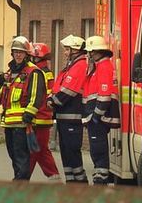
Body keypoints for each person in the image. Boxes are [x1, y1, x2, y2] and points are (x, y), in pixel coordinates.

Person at [0, 36, 46, 180]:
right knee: (14, 157)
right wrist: (2, 81)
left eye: (21, 52)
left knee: (21, 158)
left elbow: (36, 95)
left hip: (23, 123)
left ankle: (19, 185)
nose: (18, 55)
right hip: (9, 123)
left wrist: (29, 115)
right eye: (15, 52)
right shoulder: (11, 71)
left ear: (27, 54)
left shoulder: (34, 72)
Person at [48, 35, 88, 183]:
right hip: (64, 117)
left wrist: (53, 101)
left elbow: (69, 91)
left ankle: (80, 184)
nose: (65, 53)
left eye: (67, 49)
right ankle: (71, 183)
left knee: (72, 153)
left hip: (72, 117)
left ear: (75, 50)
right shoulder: (72, 65)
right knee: (66, 153)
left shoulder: (80, 65)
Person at [82, 36, 121, 184]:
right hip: (96, 114)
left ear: (97, 52)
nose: (89, 55)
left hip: (99, 115)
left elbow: (104, 93)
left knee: (98, 147)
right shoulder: (99, 66)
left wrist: (96, 115)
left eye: (91, 52)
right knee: (96, 147)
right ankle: (100, 175)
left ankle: (101, 177)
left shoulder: (104, 67)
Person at [29, 42, 60, 181]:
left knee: (35, 150)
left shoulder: (43, 73)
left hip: (41, 117)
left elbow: (45, 96)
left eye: (32, 57)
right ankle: (53, 176)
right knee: (39, 149)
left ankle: (23, 177)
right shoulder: (37, 71)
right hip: (38, 116)